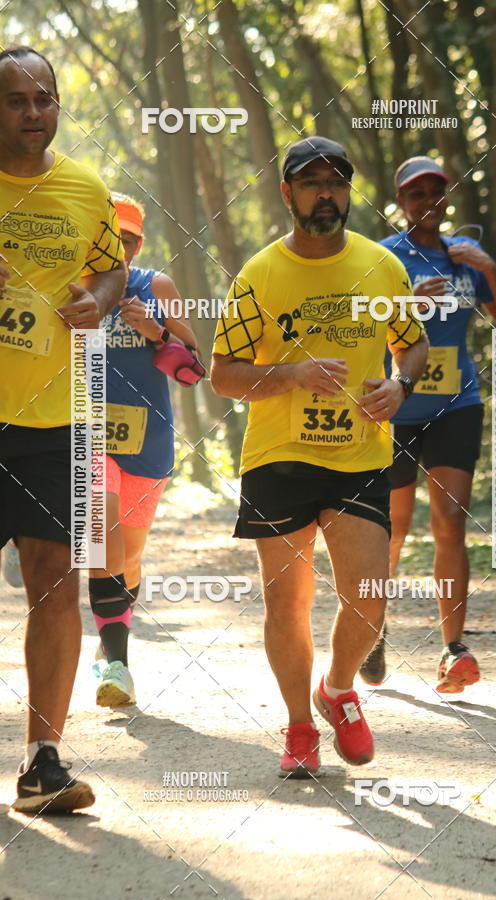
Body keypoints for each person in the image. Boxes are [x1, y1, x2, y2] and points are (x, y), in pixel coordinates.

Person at [211, 136, 428, 778]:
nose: (325, 194)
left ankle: (336, 689)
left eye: (335, 182)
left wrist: (400, 384)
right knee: (288, 602)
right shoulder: (259, 275)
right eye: (311, 183)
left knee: (369, 595)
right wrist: (292, 373)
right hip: (278, 454)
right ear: (288, 195)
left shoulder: (383, 267)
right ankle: (300, 727)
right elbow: (222, 375)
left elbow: (409, 345)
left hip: (359, 452)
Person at [0, 46, 126, 813]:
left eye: (43, 97)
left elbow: (109, 265)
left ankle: (42, 763)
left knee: (56, 580)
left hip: (61, 420)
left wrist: (102, 301)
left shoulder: (85, 187)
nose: (34, 113)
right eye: (16, 100)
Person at [359, 156, 496, 692]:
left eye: (435, 191)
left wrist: (491, 270)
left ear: (446, 198)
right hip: (397, 407)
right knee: (392, 530)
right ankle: (372, 630)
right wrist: (403, 301)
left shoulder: (465, 258)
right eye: (414, 194)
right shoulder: (383, 257)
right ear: (400, 201)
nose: (426, 201)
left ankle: (454, 650)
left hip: (456, 402)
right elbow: (354, 323)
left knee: (450, 521)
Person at [91, 193, 199, 708]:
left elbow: (196, 369)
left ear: (140, 243)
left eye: (129, 239)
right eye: (111, 237)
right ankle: (117, 667)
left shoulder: (158, 287)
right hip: (85, 434)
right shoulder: (72, 287)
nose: (120, 248)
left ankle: (111, 637)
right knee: (102, 543)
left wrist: (156, 331)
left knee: (129, 558)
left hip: (147, 438)